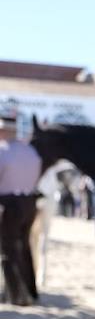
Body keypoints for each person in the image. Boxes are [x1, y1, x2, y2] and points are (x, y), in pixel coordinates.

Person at [0, 111, 43, 305]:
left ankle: (15, 294)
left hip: (9, 203)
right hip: (29, 202)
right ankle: (31, 290)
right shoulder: (30, 151)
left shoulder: (3, 151)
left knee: (8, 250)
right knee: (25, 246)